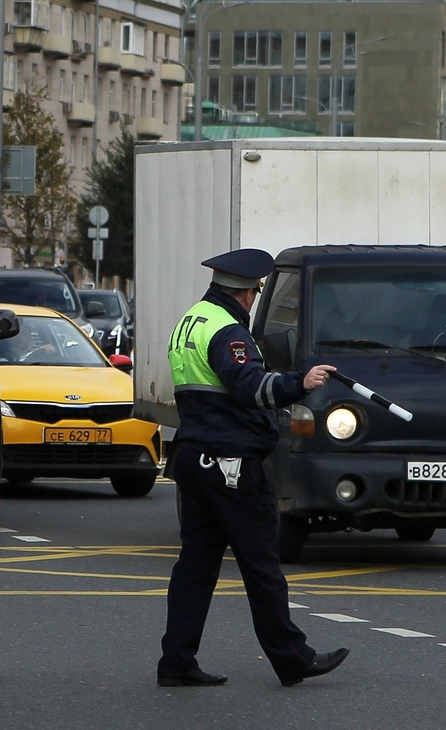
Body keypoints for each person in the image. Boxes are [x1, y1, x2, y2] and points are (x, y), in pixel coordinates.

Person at [159, 249, 349, 688]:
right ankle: (292, 658)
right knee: (261, 563)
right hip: (230, 462)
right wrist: (299, 382)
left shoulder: (193, 319)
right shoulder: (228, 332)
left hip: (194, 454)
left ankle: (176, 660)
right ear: (247, 293)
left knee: (196, 565)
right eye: (255, 293)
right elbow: (250, 388)